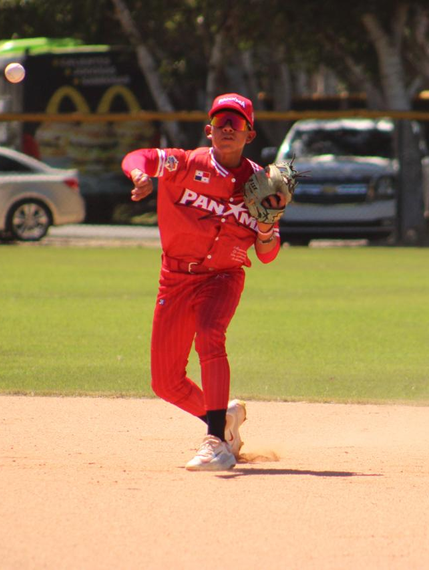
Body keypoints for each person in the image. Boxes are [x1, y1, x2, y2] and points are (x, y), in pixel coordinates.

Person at [121, 93, 287, 471]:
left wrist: (266, 227)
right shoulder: (184, 163)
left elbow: (267, 254)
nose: (228, 129)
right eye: (221, 123)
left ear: (250, 133)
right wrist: (139, 175)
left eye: (237, 123)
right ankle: (225, 417)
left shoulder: (262, 183)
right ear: (208, 131)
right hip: (176, 277)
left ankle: (217, 443)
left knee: (210, 334)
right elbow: (139, 157)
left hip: (222, 276)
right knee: (166, 383)